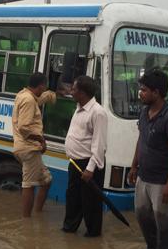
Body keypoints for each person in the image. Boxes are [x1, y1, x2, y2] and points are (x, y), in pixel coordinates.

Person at [127, 69, 168, 249]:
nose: (140, 93)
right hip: (144, 176)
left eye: (144, 90)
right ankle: (152, 247)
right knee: (142, 215)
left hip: (162, 180)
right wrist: (134, 166)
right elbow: (141, 139)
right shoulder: (144, 112)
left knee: (163, 219)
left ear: (156, 92)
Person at [63, 76, 108, 237]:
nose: (71, 91)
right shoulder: (79, 107)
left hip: (89, 166)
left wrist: (90, 169)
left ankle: (93, 235)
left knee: (91, 204)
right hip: (74, 163)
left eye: (74, 89)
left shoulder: (98, 112)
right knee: (73, 199)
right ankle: (69, 229)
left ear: (82, 93)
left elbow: (99, 144)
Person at [12, 72, 58, 218]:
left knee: (47, 181)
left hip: (26, 147)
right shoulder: (29, 100)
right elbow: (24, 127)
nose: (44, 90)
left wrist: (53, 94)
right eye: (44, 87)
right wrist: (41, 140)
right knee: (29, 184)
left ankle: (38, 213)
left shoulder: (24, 95)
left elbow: (39, 98)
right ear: (41, 86)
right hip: (29, 148)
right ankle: (26, 221)